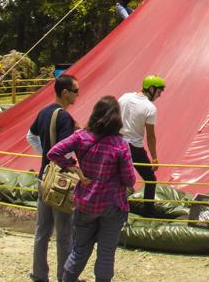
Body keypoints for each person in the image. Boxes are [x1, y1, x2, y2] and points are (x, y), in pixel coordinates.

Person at [48, 96, 135, 282]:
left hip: (86, 202)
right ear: (117, 118)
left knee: (79, 250)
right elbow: (129, 179)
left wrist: (74, 168)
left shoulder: (81, 137)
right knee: (106, 253)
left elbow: (53, 152)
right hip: (113, 204)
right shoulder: (121, 145)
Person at [27, 74, 80, 282]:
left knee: (42, 231)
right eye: (76, 90)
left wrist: (45, 154)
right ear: (65, 92)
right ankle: (65, 276)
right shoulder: (64, 117)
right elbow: (65, 150)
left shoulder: (43, 111)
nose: (78, 95)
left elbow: (30, 136)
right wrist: (69, 165)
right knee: (64, 232)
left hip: (43, 177)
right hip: (61, 183)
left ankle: (39, 274)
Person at [118, 75, 165, 218]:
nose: (159, 95)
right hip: (134, 147)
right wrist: (154, 157)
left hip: (116, 143)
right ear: (151, 88)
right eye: (159, 92)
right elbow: (150, 136)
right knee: (150, 179)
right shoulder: (150, 107)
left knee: (117, 178)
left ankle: (116, 210)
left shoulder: (124, 97)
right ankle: (149, 214)